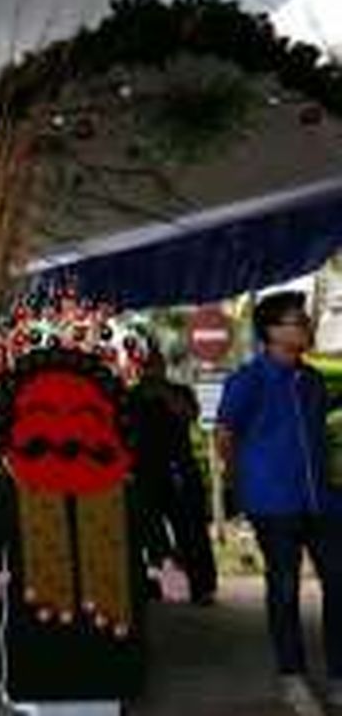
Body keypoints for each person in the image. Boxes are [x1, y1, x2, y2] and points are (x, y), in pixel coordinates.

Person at [217, 290, 342, 715]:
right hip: (273, 504)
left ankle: (339, 677)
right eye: (297, 320)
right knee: (285, 588)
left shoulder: (311, 381)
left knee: (339, 582)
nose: (306, 326)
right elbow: (225, 437)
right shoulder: (248, 380)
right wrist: (243, 488)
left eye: (304, 319)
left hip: (322, 502)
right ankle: (293, 678)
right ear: (272, 331)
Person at [129, 349, 218, 604]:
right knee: (151, 535)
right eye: (146, 364)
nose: (151, 369)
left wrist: (163, 392)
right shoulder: (131, 396)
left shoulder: (179, 392)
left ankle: (202, 586)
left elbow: (191, 415)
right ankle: (163, 584)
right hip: (144, 473)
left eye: (155, 364)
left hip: (179, 471)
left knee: (191, 530)